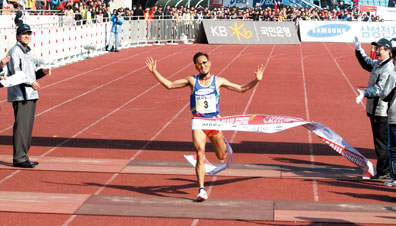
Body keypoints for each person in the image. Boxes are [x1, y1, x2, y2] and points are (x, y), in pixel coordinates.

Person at [145, 52, 264, 201]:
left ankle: (221, 146)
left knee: (221, 156)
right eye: (199, 64)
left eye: (204, 62)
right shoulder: (192, 81)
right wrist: (154, 71)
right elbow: (169, 85)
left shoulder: (218, 81)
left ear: (210, 63)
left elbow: (241, 89)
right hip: (198, 122)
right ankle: (201, 189)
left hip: (214, 122)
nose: (202, 65)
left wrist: (256, 80)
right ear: (196, 66)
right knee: (200, 153)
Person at [6, 24, 51, 168]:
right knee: (22, 127)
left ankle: (24, 156)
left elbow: (30, 74)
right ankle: (19, 158)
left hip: (30, 94)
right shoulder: (15, 52)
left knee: (27, 127)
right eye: (24, 33)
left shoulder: (27, 52)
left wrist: (41, 73)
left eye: (29, 33)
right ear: (18, 35)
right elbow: (17, 74)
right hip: (21, 95)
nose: (27, 36)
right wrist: (31, 82)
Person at [355, 37, 394, 179]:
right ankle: (385, 169)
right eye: (376, 48)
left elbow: (379, 89)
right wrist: (359, 50)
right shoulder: (379, 64)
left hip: (381, 111)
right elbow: (367, 63)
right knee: (379, 141)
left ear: (388, 51)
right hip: (374, 109)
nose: (377, 51)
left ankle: (385, 171)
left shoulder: (388, 68)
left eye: (380, 49)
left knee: (381, 143)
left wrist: (365, 93)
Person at [380, 38, 396, 187]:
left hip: (395, 116)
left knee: (393, 149)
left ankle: (394, 177)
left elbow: (385, 94)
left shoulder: (393, 75)